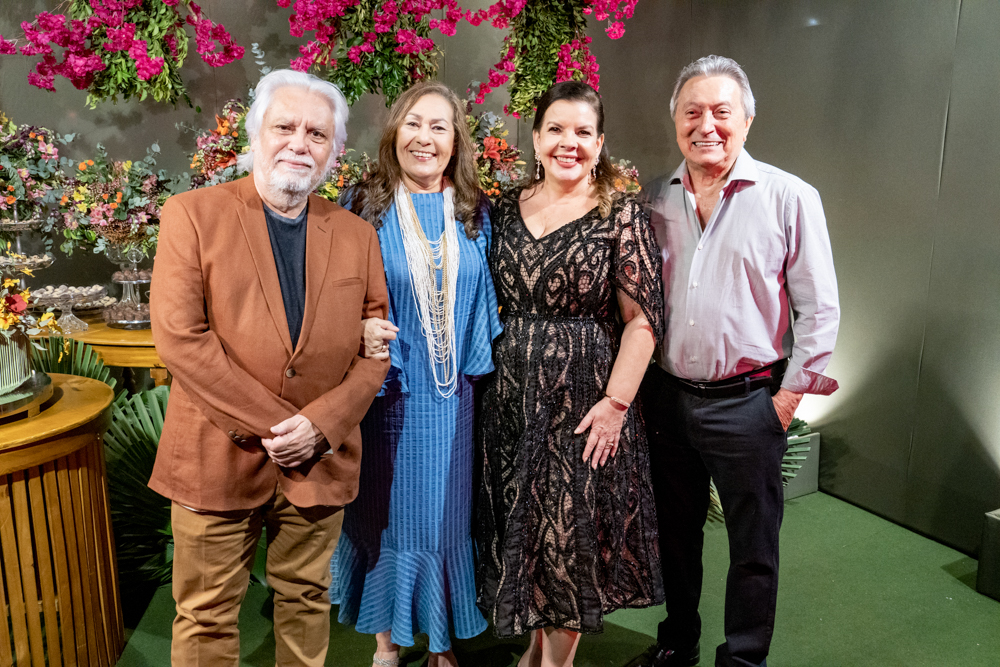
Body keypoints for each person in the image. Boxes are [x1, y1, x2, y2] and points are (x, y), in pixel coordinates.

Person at [148, 69, 390, 667]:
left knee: (307, 603)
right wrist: (288, 428)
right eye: (285, 127)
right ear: (255, 133)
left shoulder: (357, 235)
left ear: (334, 151)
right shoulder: (192, 215)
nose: (298, 144)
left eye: (317, 134)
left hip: (318, 461)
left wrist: (321, 427)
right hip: (216, 455)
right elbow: (181, 340)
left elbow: (375, 351)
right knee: (205, 617)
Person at [638, 55, 840, 667]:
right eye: (692, 112)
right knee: (674, 538)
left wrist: (786, 401)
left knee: (753, 548)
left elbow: (820, 310)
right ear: (675, 120)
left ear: (747, 120)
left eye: (721, 112)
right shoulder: (653, 198)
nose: (707, 125)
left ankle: (744, 659)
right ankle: (678, 643)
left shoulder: (789, 197)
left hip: (749, 404)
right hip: (666, 400)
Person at [476, 81, 665, 667]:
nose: (569, 142)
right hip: (510, 402)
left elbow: (642, 321)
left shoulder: (620, 214)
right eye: (556, 129)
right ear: (535, 139)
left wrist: (615, 405)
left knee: (568, 543)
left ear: (600, 143)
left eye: (583, 132)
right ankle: (533, 652)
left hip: (584, 405)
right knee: (529, 535)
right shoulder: (503, 208)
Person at [329, 80, 502, 667]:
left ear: (456, 142)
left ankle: (440, 642)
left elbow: (488, 300)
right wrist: (356, 328)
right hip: (387, 397)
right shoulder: (363, 206)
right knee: (384, 518)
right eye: (413, 123)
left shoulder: (476, 212)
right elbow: (332, 296)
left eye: (439, 127)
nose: (424, 138)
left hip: (455, 401)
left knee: (445, 521)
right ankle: (386, 641)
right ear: (394, 133)